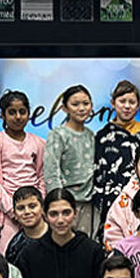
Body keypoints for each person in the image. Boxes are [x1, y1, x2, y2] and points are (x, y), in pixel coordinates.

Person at [91, 80, 140, 242]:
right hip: (111, 199)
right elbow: (98, 171)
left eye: (131, 102)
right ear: (113, 103)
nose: (127, 106)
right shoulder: (102, 136)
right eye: (122, 101)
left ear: (138, 105)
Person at [0, 90, 46, 254]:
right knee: (8, 256)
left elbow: (42, 177)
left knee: (37, 255)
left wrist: (37, 207)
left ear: (29, 114)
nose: (18, 117)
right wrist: (13, 210)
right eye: (12, 112)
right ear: (3, 115)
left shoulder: (39, 143)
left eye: (22, 112)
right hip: (6, 213)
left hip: (34, 211)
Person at [44, 84, 98, 236]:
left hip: (89, 203)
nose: (81, 108)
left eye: (86, 104)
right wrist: (59, 204)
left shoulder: (91, 135)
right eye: (75, 104)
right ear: (64, 108)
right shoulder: (58, 135)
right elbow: (51, 171)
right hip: (66, 204)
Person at [5, 185, 47, 264]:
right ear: (15, 214)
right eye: (21, 208)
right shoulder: (15, 247)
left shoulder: (58, 236)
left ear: (42, 209)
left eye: (32, 206)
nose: (27, 212)